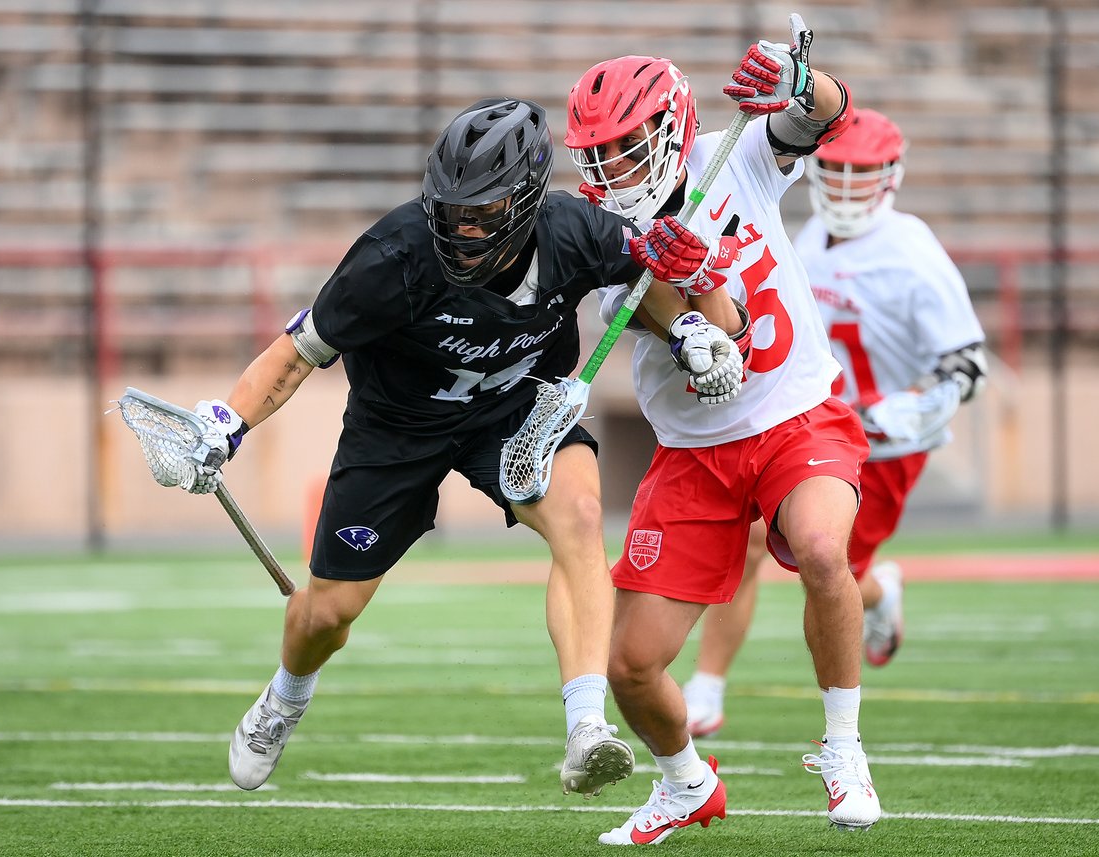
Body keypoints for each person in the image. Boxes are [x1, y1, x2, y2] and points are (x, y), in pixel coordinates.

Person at [181, 98, 745, 801]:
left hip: (514, 409)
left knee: (576, 516)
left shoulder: (573, 230)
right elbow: (296, 353)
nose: (462, 226)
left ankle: (586, 726)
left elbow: (644, 275)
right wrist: (224, 424)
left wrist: (687, 331)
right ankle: (284, 698)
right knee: (326, 614)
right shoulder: (393, 256)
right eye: (451, 209)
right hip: (395, 428)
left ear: (529, 202)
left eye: (482, 210)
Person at [564, 16, 884, 843]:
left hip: (794, 414)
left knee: (819, 546)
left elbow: (829, 113)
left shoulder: (729, 155)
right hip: (695, 452)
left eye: (627, 146)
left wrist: (793, 77)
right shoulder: (611, 238)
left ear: (671, 130)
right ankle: (685, 783)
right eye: (598, 152)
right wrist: (687, 287)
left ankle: (843, 747)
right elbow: (715, 345)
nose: (610, 167)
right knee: (629, 664)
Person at [681, 107, 988, 740]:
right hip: (810, 426)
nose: (847, 186)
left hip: (886, 442)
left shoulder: (912, 250)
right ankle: (706, 688)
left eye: (863, 172)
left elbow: (967, 362)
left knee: (835, 573)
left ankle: (882, 598)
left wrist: (923, 400)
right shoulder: (807, 239)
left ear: (891, 177)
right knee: (750, 543)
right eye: (837, 170)